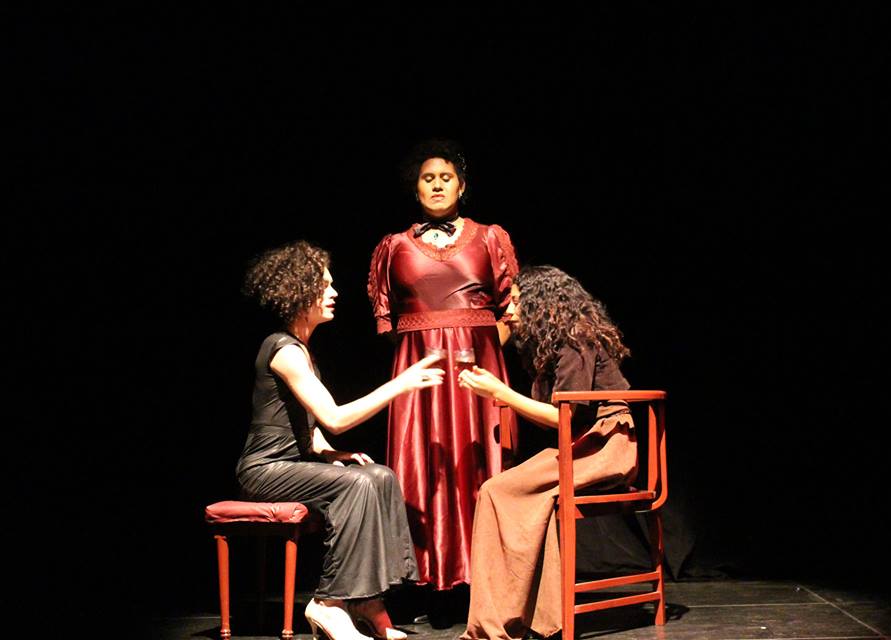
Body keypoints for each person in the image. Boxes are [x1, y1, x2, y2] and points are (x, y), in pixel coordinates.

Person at [236, 241, 445, 640]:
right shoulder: (283, 350)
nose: (334, 292)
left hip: (292, 464)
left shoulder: (302, 350)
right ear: (300, 291)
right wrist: (399, 384)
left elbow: (307, 426)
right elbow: (334, 417)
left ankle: (369, 600)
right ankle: (330, 602)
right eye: (324, 285)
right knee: (356, 485)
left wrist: (332, 453)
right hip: (264, 470)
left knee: (379, 475)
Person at [367, 140, 520, 612]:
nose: (437, 185)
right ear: (415, 189)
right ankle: (422, 580)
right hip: (420, 378)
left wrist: (483, 351)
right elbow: (388, 324)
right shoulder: (392, 247)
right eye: (428, 178)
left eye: (446, 177)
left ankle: (487, 580)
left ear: (462, 185)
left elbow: (512, 310)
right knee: (421, 466)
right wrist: (428, 350)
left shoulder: (490, 237)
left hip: (478, 375)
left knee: (482, 466)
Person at [456, 266, 638, 640]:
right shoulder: (553, 348)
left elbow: (565, 418)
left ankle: (500, 622)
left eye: (517, 302)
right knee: (509, 492)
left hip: (605, 445)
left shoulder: (577, 341)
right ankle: (535, 615)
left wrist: (502, 394)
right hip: (580, 446)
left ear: (542, 304)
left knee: (496, 491)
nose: (510, 311)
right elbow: (559, 420)